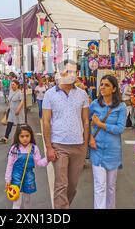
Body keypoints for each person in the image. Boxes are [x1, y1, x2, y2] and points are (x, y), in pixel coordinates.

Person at [42, 60, 89, 209]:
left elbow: (86, 121)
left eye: (74, 71)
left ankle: (64, 206)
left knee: (72, 186)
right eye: (68, 71)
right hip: (59, 145)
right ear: (60, 72)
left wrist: (85, 145)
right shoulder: (49, 94)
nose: (72, 75)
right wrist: (49, 147)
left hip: (78, 145)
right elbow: (46, 122)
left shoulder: (82, 94)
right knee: (61, 184)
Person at [88, 75, 126, 209]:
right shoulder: (94, 104)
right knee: (100, 186)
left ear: (114, 89)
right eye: (102, 84)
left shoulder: (121, 107)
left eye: (107, 85)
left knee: (110, 187)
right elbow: (85, 122)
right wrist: (90, 137)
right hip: (96, 149)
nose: (102, 87)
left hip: (113, 152)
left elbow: (120, 128)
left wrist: (100, 124)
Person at [5, 125, 49, 209]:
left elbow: (39, 162)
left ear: (31, 136)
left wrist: (48, 159)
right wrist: (8, 179)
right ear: (18, 137)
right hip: (16, 178)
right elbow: (9, 165)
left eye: (27, 136)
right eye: (22, 136)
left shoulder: (34, 148)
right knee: (17, 201)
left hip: (28, 177)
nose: (25, 138)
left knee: (27, 200)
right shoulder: (14, 149)